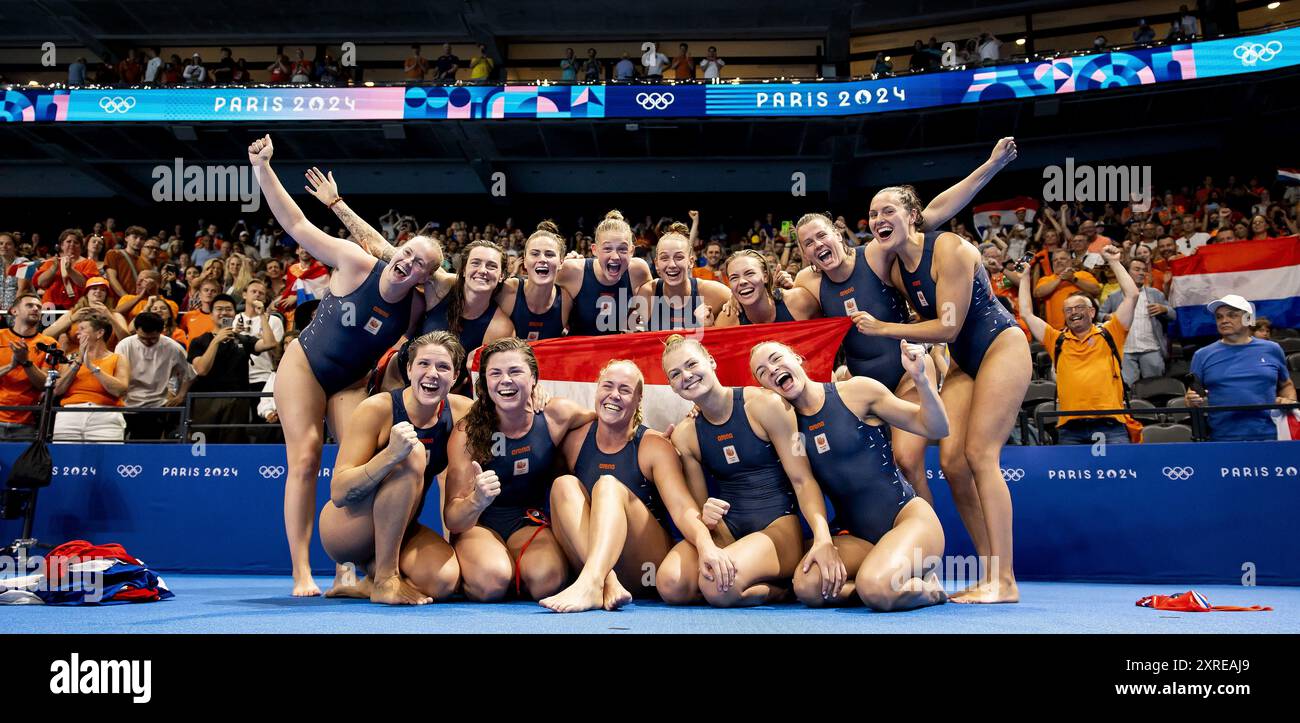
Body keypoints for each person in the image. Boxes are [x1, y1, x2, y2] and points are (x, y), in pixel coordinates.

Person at [249, 134, 443, 596]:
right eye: (406, 253)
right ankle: (300, 570)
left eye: (420, 265)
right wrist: (262, 169)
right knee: (306, 456)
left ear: (423, 278)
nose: (409, 264)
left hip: (352, 381)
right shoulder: (356, 261)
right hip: (305, 368)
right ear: (393, 251)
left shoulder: (415, 308)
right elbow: (296, 223)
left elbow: (446, 287)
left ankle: (345, 567)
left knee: (357, 464)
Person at [792, 138, 1016, 509]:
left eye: (821, 235)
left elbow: (931, 213)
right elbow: (779, 317)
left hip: (907, 372)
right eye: (807, 243)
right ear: (803, 253)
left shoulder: (878, 254)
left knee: (909, 462)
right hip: (864, 386)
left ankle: (928, 554)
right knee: (866, 469)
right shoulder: (808, 284)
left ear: (837, 232)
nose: (817, 245)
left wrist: (990, 166)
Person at [857, 185, 1029, 603]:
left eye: (889, 211)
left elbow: (948, 327)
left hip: (1001, 345)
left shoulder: (949, 248)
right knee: (952, 464)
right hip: (961, 364)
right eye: (872, 212)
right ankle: (989, 571)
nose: (879, 219)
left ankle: (1005, 580)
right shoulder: (898, 270)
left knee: (980, 456)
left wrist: (884, 329)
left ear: (913, 215)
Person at [750, 339, 948, 610]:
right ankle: (879, 582)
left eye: (775, 359)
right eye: (762, 372)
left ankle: (927, 590)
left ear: (797, 358)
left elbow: (936, 427)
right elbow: (803, 483)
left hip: (908, 520)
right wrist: (823, 540)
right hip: (858, 538)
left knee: (876, 588)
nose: (772, 369)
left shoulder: (857, 392)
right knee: (807, 587)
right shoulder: (787, 429)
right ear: (765, 389)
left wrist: (921, 380)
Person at [660, 335, 845, 607]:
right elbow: (701, 511)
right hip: (727, 530)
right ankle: (746, 580)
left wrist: (823, 539)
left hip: (778, 527)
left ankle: (780, 591)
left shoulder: (763, 406)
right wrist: (707, 518)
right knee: (671, 584)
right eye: (675, 374)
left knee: (715, 586)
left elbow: (803, 481)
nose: (686, 376)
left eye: (691, 364)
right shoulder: (686, 435)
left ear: (711, 362)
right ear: (672, 387)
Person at [541, 359, 714, 612]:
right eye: (607, 386)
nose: (614, 395)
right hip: (588, 561)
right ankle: (601, 580)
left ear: (638, 399)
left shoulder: (654, 445)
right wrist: (534, 392)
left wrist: (706, 545)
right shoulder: (574, 440)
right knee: (563, 485)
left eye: (625, 390)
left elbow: (681, 509)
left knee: (608, 486)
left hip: (642, 565)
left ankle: (594, 581)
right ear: (596, 390)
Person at [319, 331, 472, 604]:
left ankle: (366, 583)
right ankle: (385, 580)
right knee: (410, 453)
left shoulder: (462, 412)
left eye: (443, 367)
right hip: (347, 527)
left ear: (456, 375)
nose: (432, 374)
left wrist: (537, 393)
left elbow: (508, 411)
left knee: (443, 580)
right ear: (410, 368)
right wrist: (389, 455)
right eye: (424, 364)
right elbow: (339, 491)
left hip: (400, 526)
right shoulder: (377, 409)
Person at [443, 338, 595, 601]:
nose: (505, 380)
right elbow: (453, 519)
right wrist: (476, 500)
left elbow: (609, 421)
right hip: (479, 525)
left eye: (515, 372)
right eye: (495, 373)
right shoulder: (466, 433)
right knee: (492, 581)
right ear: (485, 383)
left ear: (533, 377)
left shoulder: (555, 414)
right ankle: (486, 572)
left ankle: (514, 568)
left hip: (528, 521)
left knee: (547, 581)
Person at [1020, 245, 1139, 445]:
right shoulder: (1056, 340)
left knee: (1118, 476)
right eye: (1068, 310)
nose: (1073, 312)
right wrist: (1024, 276)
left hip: (1110, 425)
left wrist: (1114, 262)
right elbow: (1026, 313)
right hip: (1070, 429)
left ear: (1092, 312)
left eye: (1079, 307)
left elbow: (1132, 295)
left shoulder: (1111, 333)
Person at [1187, 295, 1296, 441]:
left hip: (1272, 435)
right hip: (1223, 438)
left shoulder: (1272, 349)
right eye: (1219, 317)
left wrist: (1289, 400)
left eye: (1232, 315)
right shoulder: (1202, 355)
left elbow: (1286, 384)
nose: (1224, 320)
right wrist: (1192, 400)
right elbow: (1191, 396)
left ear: (1248, 319)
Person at [187, 294, 279, 444]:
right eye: (219, 309)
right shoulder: (199, 341)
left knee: (232, 444)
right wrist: (216, 340)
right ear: (211, 315)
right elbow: (202, 369)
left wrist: (262, 315)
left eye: (228, 309)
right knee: (201, 446)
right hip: (207, 400)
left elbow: (270, 344)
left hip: (237, 400)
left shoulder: (242, 339)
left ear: (235, 314)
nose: (224, 312)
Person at [556, 210, 653, 336]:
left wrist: (636, 320)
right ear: (595, 250)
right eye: (607, 248)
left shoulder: (638, 271)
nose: (615, 256)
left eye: (622, 249)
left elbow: (648, 312)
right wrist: (556, 266)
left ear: (631, 251)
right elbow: (539, 296)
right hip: (580, 353)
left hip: (620, 353)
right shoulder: (573, 270)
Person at [633, 223, 730, 331]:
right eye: (664, 258)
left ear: (691, 262)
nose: (672, 265)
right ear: (656, 264)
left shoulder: (712, 292)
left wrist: (711, 329)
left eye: (679, 257)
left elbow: (741, 302)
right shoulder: (648, 292)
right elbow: (630, 339)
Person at [115, 311, 194, 440]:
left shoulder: (173, 347)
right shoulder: (125, 345)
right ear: (136, 331)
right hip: (126, 405)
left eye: (153, 338)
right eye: (143, 338)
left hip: (155, 406)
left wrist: (180, 395)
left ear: (161, 331)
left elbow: (190, 374)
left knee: (145, 447)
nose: (147, 342)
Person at [51, 316, 129, 442]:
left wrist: (92, 367)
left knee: (105, 459)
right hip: (70, 415)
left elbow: (120, 390)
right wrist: (78, 362)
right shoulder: (70, 359)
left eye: (82, 329)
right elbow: (58, 390)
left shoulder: (118, 358)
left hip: (105, 417)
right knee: (66, 458)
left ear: (99, 333)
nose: (77, 332)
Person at [1099, 257, 1175, 385]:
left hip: (1151, 348)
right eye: (1137, 269)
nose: (1141, 273)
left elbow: (1173, 315)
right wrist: (1107, 317)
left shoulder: (1155, 294)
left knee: (1156, 388)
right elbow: (1099, 314)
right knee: (1127, 389)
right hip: (1125, 351)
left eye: (1143, 270)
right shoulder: (1114, 296)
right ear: (1126, 273)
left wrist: (1164, 309)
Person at [496, 221, 571, 341]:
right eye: (535, 254)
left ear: (561, 262)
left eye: (549, 254)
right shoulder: (506, 290)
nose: (542, 259)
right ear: (525, 261)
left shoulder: (567, 300)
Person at [0, 294, 56, 441]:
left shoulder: (48, 344)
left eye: (39, 307)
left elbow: (45, 384)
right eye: (29, 305)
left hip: (28, 422)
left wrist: (26, 362)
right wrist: (10, 366)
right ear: (14, 311)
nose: (36, 309)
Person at [714, 250, 818, 327]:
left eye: (749, 273)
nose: (742, 282)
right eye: (734, 278)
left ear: (765, 277)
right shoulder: (726, 320)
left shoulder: (800, 302)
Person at [1035, 249, 1100, 330]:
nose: (1058, 261)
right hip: (1057, 330)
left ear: (1071, 261)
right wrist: (1060, 278)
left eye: (1062, 259)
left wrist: (1073, 279)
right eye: (1055, 260)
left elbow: (1096, 290)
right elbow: (1038, 293)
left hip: (1085, 327)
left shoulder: (1083, 275)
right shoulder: (1046, 279)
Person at [35, 229, 100, 310]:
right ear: (62, 245)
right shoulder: (52, 262)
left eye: (76, 242)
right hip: (49, 306)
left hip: (77, 307)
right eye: (68, 241)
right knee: (48, 323)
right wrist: (53, 269)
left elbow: (86, 285)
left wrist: (70, 270)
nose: (72, 244)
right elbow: (40, 283)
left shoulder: (89, 263)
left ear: (81, 246)